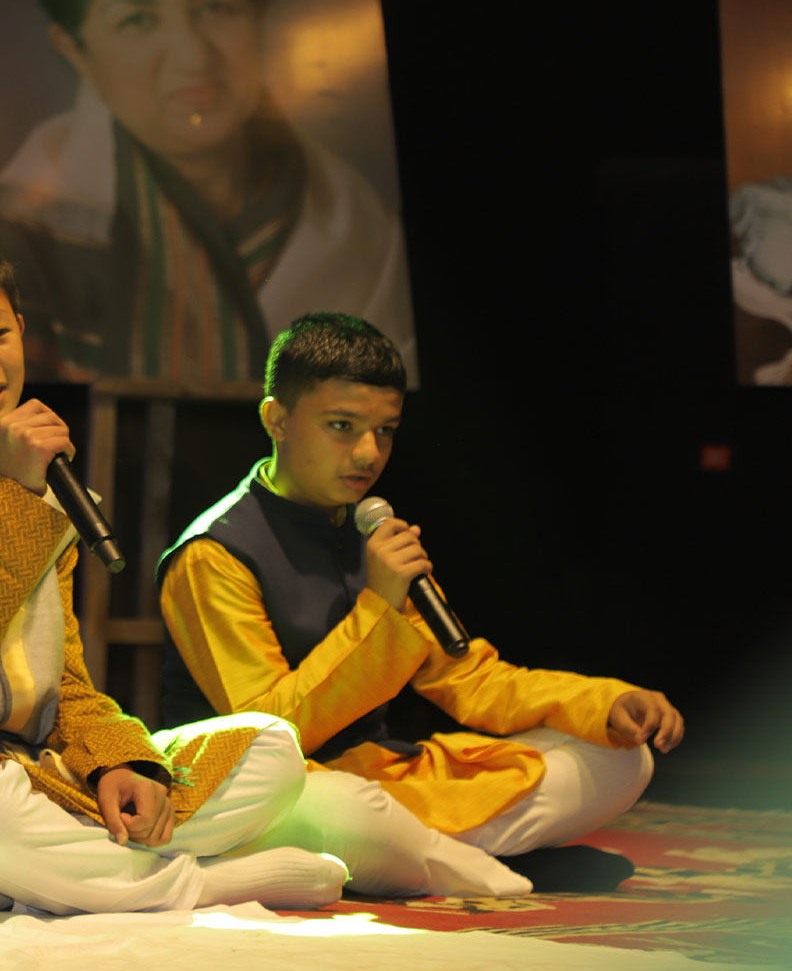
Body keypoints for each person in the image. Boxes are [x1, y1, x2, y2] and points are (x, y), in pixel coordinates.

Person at [0, 222, 347, 919]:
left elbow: (65, 683)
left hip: (22, 765)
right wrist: (17, 499)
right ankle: (199, 886)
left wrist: (119, 763)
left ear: (21, 330)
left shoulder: (35, 475)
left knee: (270, 749)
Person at [157, 312, 684, 896]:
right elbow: (268, 730)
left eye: (385, 431)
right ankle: (501, 868)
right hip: (265, 789)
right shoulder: (212, 554)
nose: (368, 453)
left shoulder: (369, 532)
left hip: (380, 780)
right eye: (342, 426)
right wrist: (379, 609)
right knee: (342, 811)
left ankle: (428, 861)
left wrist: (605, 700)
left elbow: (470, 679)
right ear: (276, 419)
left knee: (620, 755)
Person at [0, 0, 415, 383]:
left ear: (258, 14)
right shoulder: (23, 242)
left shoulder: (357, 228)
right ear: (75, 49)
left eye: (216, 7)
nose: (192, 56)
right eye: (138, 20)